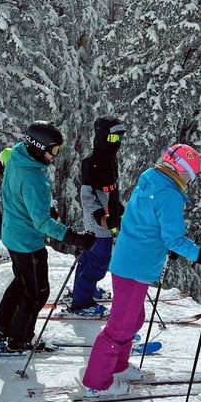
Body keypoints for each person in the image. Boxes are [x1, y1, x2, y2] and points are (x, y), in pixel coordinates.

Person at [78, 144, 201, 397]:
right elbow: (174, 238)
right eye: (190, 176)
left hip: (129, 263)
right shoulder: (169, 195)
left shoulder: (150, 180)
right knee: (119, 327)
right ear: (182, 171)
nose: (189, 182)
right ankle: (96, 383)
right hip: (136, 267)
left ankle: (118, 367)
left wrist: (164, 243)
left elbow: (144, 221)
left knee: (133, 321)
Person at [0, 121, 97, 351]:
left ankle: (3, 325)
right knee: (37, 292)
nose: (55, 156)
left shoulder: (16, 156)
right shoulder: (33, 177)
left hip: (12, 234)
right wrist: (74, 237)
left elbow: (17, 196)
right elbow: (42, 223)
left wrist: (42, 208)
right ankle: (19, 339)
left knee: (22, 282)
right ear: (38, 147)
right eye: (53, 150)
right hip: (27, 242)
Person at [70, 116, 127, 317]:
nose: (117, 144)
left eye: (120, 139)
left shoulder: (111, 160)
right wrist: (101, 217)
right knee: (99, 260)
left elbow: (112, 190)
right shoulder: (91, 163)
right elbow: (87, 196)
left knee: (90, 256)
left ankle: (83, 289)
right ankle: (81, 302)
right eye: (113, 139)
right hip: (96, 219)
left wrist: (117, 207)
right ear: (103, 137)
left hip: (108, 216)